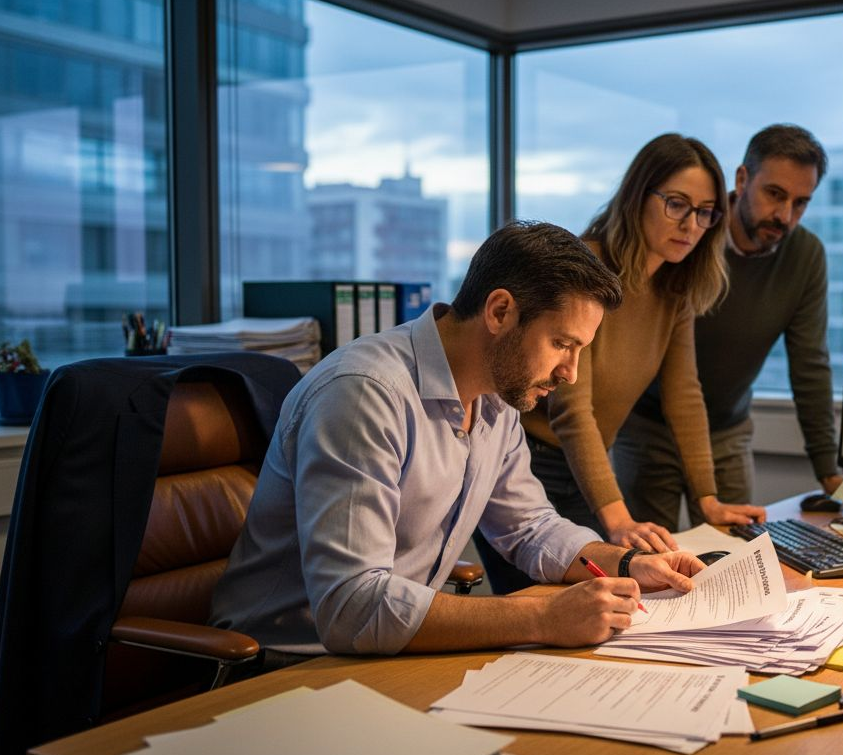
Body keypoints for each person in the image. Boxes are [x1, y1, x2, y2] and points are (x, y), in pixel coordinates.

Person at [209, 221, 704, 659]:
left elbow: (529, 527)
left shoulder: (496, 398)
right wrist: (543, 618)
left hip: (382, 652)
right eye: (561, 344)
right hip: (284, 662)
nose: (570, 373)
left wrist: (631, 564)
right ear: (500, 311)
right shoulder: (364, 395)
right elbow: (352, 607)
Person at [472, 134, 766, 595]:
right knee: (552, 609)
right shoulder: (588, 269)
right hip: (526, 461)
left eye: (706, 212)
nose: (691, 224)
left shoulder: (674, 288)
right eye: (676, 204)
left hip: (585, 467)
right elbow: (572, 409)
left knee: (614, 603)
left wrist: (707, 498)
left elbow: (684, 396)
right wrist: (618, 518)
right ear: (637, 196)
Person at [613, 124, 843, 531]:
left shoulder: (805, 255)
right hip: (649, 427)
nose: (785, 215)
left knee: (736, 549)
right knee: (651, 553)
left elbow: (810, 364)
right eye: (775, 194)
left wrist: (829, 473)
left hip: (727, 431)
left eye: (800, 203)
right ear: (741, 179)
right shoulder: (692, 234)